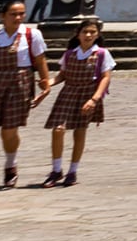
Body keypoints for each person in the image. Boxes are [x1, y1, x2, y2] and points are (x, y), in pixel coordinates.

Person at [0, 1, 47, 192]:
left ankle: (11, 167)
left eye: (21, 13)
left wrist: (45, 85)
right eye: (13, 14)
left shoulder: (31, 35)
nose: (18, 18)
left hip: (18, 86)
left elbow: (40, 60)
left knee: (9, 131)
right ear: (3, 16)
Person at [40, 16, 111, 188]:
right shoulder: (70, 54)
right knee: (58, 129)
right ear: (78, 34)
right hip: (68, 93)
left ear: (97, 35)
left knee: (79, 132)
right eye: (85, 32)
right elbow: (62, 75)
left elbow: (105, 78)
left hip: (87, 94)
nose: (88, 35)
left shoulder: (101, 54)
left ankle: (72, 171)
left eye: (92, 32)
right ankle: (56, 169)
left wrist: (94, 99)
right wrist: (49, 83)